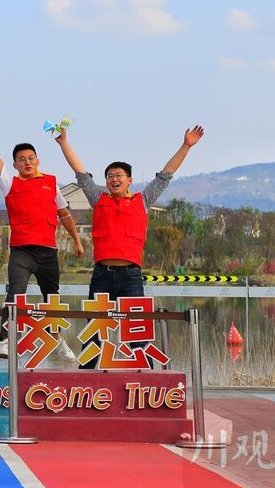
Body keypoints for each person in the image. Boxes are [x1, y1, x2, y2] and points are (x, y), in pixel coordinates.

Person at [54, 124, 205, 368]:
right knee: (94, 329)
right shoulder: (98, 199)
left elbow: (165, 175)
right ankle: (87, 378)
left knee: (137, 329)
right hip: (102, 275)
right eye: (110, 176)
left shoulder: (142, 200)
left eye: (119, 176)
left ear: (129, 180)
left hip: (131, 277)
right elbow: (80, 173)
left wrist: (186, 145)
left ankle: (144, 376)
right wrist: (63, 143)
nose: (114, 179)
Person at [0, 110, 84, 362]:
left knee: (52, 298)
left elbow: (64, 214)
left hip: (48, 251)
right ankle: (6, 339)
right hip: (22, 251)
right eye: (21, 159)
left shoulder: (51, 182)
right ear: (15, 165)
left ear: (37, 160)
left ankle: (57, 339)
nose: (27, 162)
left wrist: (77, 241)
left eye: (31, 158)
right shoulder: (10, 183)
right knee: (15, 293)